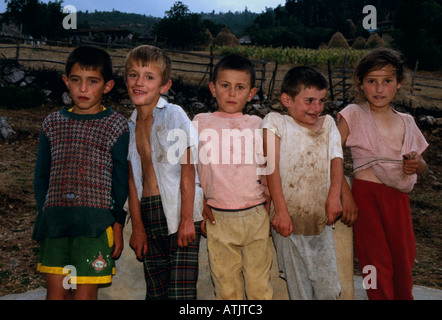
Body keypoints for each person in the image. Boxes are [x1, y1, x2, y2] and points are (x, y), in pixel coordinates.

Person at [33, 46, 129, 300]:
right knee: (56, 294)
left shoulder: (116, 125)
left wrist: (117, 223)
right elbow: (41, 173)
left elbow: (121, 182)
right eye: (76, 80)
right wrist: (45, 209)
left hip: (95, 224)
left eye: (92, 81)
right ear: (66, 81)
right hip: (56, 223)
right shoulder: (52, 123)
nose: (83, 89)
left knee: (84, 295)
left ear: (107, 86)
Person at [338, 48, 428, 300]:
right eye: (371, 81)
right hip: (365, 198)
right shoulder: (353, 115)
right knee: (373, 262)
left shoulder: (407, 122)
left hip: (398, 200)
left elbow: (423, 165)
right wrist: (346, 195)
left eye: (387, 81)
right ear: (360, 83)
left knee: (403, 259)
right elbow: (330, 155)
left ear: (398, 83)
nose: (379, 89)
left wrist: (417, 164)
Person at [125, 45, 204, 300]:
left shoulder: (173, 115)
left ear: (164, 85)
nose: (139, 82)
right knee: (156, 290)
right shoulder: (129, 124)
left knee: (180, 293)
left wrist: (186, 220)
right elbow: (132, 179)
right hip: (148, 212)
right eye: (133, 75)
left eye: (149, 77)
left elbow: (188, 169)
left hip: (180, 208)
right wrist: (137, 227)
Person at [193, 54, 273, 300]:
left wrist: (270, 201)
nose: (231, 93)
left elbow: (267, 167)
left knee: (259, 285)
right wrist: (200, 204)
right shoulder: (199, 123)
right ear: (212, 88)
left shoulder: (258, 124)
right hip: (218, 216)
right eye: (225, 85)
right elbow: (192, 170)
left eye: (240, 87)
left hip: (255, 213)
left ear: (251, 93)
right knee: (227, 288)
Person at [262, 66, 344, 300]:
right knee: (299, 290)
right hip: (287, 222)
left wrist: (334, 197)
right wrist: (281, 212)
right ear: (286, 99)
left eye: (321, 101)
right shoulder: (275, 123)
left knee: (329, 288)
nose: (317, 108)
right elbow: (272, 168)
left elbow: (336, 160)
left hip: (321, 220)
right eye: (309, 100)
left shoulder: (328, 124)